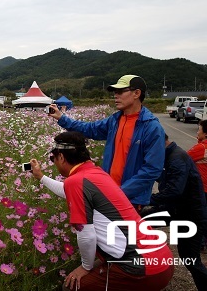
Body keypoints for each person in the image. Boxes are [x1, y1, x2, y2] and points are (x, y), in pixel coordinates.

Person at [30, 131, 174, 290]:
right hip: (161, 258)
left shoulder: (75, 181)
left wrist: (85, 267)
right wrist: (41, 177)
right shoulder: (94, 173)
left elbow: (86, 235)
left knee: (71, 286)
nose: (54, 163)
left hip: (141, 268)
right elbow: (67, 189)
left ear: (62, 157)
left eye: (53, 159)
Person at [47, 74, 165, 211]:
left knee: (123, 232)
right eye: (114, 92)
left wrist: (121, 193)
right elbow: (89, 129)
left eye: (120, 92)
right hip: (108, 194)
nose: (115, 95)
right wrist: (62, 118)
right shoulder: (115, 120)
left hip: (130, 201)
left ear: (137, 93)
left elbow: (152, 169)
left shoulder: (151, 127)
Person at [141, 134, 207, 290]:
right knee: (141, 220)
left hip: (190, 215)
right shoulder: (169, 155)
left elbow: (174, 191)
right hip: (175, 209)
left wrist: (146, 200)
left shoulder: (177, 158)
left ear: (160, 143)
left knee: (190, 258)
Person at [187, 119, 207, 203]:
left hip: (202, 187)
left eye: (199, 130)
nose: (197, 132)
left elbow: (182, 158)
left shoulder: (202, 147)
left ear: (206, 134)